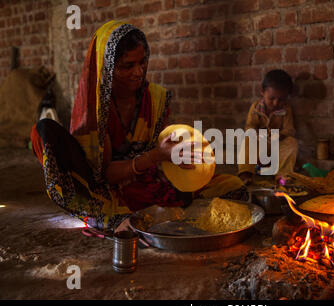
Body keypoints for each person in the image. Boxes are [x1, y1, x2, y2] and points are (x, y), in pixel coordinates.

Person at [30, 21, 206, 233]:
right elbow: (104, 175)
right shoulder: (96, 107)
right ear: (107, 67)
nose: (139, 72)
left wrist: (176, 154)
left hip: (139, 180)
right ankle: (104, 215)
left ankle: (129, 210)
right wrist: (154, 156)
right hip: (100, 187)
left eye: (142, 62)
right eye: (127, 66)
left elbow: (160, 155)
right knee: (43, 131)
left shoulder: (155, 99)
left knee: (227, 187)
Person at [237, 69, 298, 186]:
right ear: (262, 92)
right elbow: (250, 126)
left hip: (276, 150)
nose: (276, 103)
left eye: (281, 100)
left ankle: (282, 176)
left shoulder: (286, 110)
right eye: (271, 98)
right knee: (247, 138)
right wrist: (257, 134)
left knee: (292, 142)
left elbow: (290, 130)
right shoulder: (255, 108)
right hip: (259, 149)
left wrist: (280, 135)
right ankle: (246, 174)